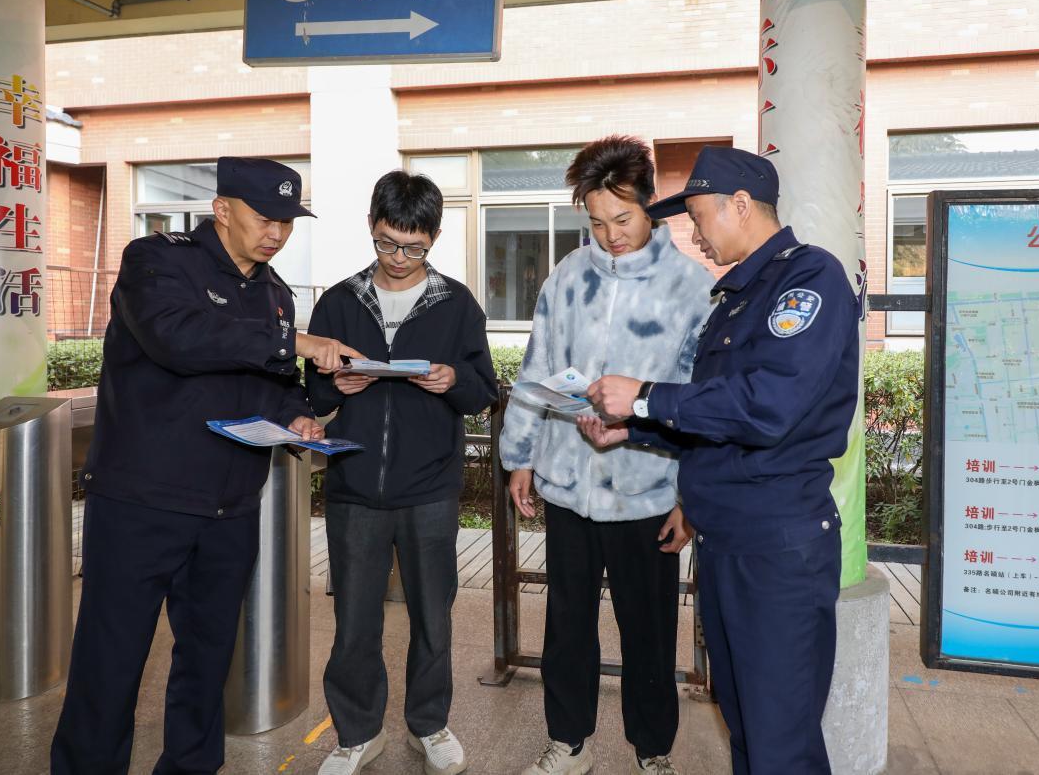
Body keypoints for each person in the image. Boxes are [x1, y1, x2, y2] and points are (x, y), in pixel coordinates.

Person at [51, 157, 359, 775]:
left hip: (229, 508)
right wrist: (294, 342)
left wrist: (299, 416)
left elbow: (271, 383)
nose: (277, 233)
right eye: (264, 218)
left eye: (287, 222)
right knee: (110, 659)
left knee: (207, 659)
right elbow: (178, 338)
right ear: (222, 210)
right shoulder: (157, 261)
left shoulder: (274, 293)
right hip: (142, 501)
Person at [581, 146, 859, 775]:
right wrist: (636, 430)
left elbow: (769, 407)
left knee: (780, 738)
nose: (695, 233)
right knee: (745, 722)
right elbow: (719, 422)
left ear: (739, 205)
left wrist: (646, 396)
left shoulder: (807, 279)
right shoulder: (737, 295)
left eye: (700, 216)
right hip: (729, 540)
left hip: (777, 547)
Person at [499, 135, 715, 775]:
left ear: (651, 206)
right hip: (568, 483)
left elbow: (700, 401)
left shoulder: (690, 287)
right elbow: (536, 370)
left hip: (647, 489)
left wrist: (689, 497)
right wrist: (520, 457)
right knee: (566, 624)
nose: (610, 235)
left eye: (622, 219)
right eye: (596, 222)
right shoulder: (568, 276)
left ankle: (653, 750)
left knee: (649, 629)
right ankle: (568, 741)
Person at [306, 170, 498, 775]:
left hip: (430, 488)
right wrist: (335, 386)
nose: (397, 258)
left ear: (434, 237)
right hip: (354, 486)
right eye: (387, 242)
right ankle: (357, 733)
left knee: (433, 617)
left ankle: (429, 724)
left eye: (413, 247)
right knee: (353, 621)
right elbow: (311, 392)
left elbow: (483, 390)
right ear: (371, 225)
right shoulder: (339, 301)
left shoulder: (457, 303)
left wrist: (453, 380)